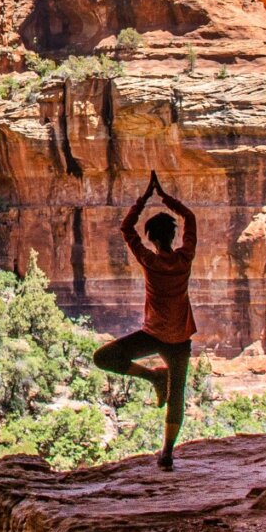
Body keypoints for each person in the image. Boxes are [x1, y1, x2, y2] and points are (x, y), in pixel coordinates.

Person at [97, 171, 198, 469]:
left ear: (151, 239)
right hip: (180, 338)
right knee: (176, 393)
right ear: (173, 236)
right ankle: (167, 452)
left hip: (152, 334)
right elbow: (190, 219)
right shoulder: (184, 258)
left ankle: (151, 376)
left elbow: (127, 229)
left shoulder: (149, 261)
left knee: (104, 357)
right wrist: (166, 198)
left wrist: (144, 198)